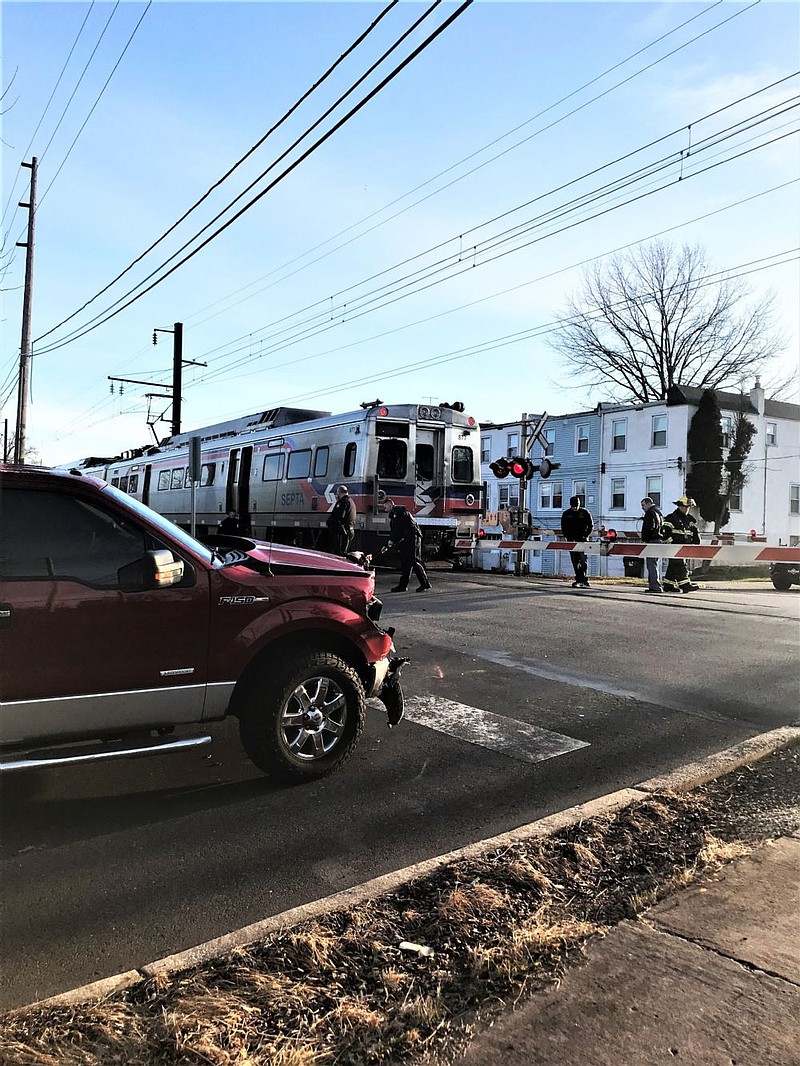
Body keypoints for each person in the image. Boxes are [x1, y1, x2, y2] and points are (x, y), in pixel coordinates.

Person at [385, 505, 431, 592]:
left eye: (386, 506)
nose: (385, 508)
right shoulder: (398, 513)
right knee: (406, 562)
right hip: (410, 538)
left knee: (414, 561)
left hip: (413, 539)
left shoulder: (398, 513)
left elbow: (397, 529)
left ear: (390, 505)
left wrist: (392, 540)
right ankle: (403, 586)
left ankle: (425, 583)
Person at [662, 495, 701, 593]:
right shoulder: (671, 518)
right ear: (679, 506)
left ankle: (668, 585)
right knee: (680, 565)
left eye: (688, 507)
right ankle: (685, 585)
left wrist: (694, 542)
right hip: (674, 547)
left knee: (673, 566)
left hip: (685, 548)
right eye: (685, 507)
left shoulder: (688, 519)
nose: (687, 509)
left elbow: (691, 534)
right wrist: (672, 544)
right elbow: (665, 534)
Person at [560, 495, 594, 588]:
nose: (575, 507)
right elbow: (563, 527)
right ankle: (579, 579)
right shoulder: (567, 514)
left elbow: (591, 525)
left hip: (582, 540)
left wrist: (585, 535)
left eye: (577, 505)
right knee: (575, 561)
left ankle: (584, 578)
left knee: (583, 560)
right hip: (572, 540)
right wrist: (568, 537)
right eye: (573, 506)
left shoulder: (585, 512)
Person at [640, 497, 665, 593]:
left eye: (643, 505)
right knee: (653, 563)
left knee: (651, 564)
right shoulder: (658, 512)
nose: (642, 508)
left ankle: (655, 586)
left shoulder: (650, 513)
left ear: (648, 503)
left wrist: (645, 537)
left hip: (652, 540)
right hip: (658, 540)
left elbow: (650, 527)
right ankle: (653, 585)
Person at [325, 485, 357, 555]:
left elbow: (339, 516)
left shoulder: (343, 502)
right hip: (349, 530)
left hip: (343, 531)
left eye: (337, 493)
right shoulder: (351, 501)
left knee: (340, 554)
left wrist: (330, 523)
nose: (337, 495)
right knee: (344, 552)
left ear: (339, 493)